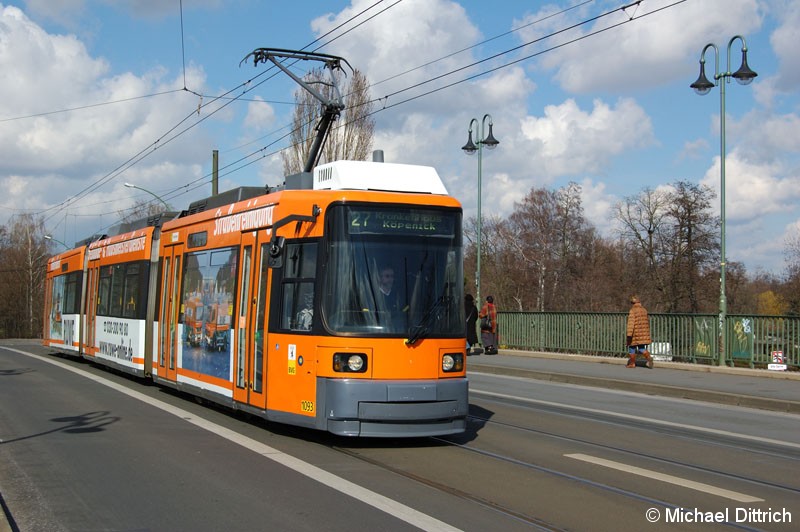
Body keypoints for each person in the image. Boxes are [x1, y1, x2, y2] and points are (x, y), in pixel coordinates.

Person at [626, 295, 653, 368]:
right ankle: (648, 358)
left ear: (632, 302)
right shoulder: (644, 310)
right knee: (641, 347)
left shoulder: (632, 311)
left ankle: (632, 363)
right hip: (643, 332)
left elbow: (631, 323)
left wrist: (629, 334)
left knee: (631, 347)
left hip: (635, 333)